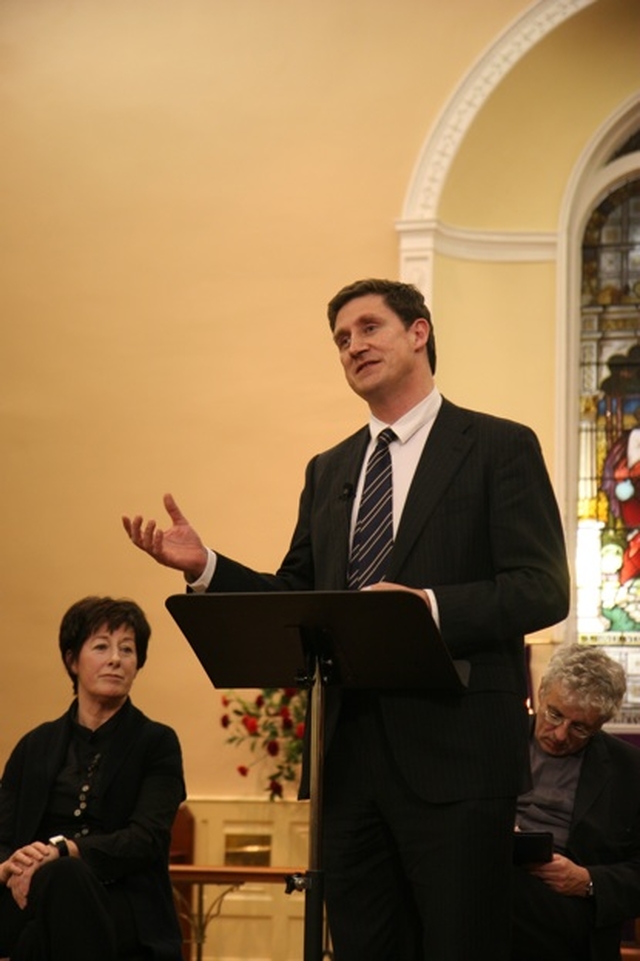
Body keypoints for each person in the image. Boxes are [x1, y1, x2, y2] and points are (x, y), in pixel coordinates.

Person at [122, 278, 570, 961]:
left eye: (368, 327)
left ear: (418, 332)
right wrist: (208, 565)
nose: (352, 345)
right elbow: (297, 598)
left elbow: (540, 588)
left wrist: (428, 606)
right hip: (348, 762)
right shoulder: (329, 469)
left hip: (456, 754)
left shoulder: (496, 446)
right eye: (340, 339)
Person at [0, 596, 186, 961]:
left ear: (138, 664)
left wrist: (65, 851)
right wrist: (10, 867)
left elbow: (145, 840)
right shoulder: (34, 746)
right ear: (73, 660)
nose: (116, 659)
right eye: (101, 646)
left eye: (128, 649)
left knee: (63, 882)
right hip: (30, 892)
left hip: (121, 900)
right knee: (44, 902)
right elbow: (2, 835)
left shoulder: (157, 743)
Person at [513, 643, 640, 961]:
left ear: (600, 726)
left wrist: (588, 881)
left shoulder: (629, 770)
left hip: (565, 905)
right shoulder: (499, 738)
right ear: (541, 692)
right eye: (554, 714)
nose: (559, 734)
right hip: (491, 874)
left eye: (579, 728)